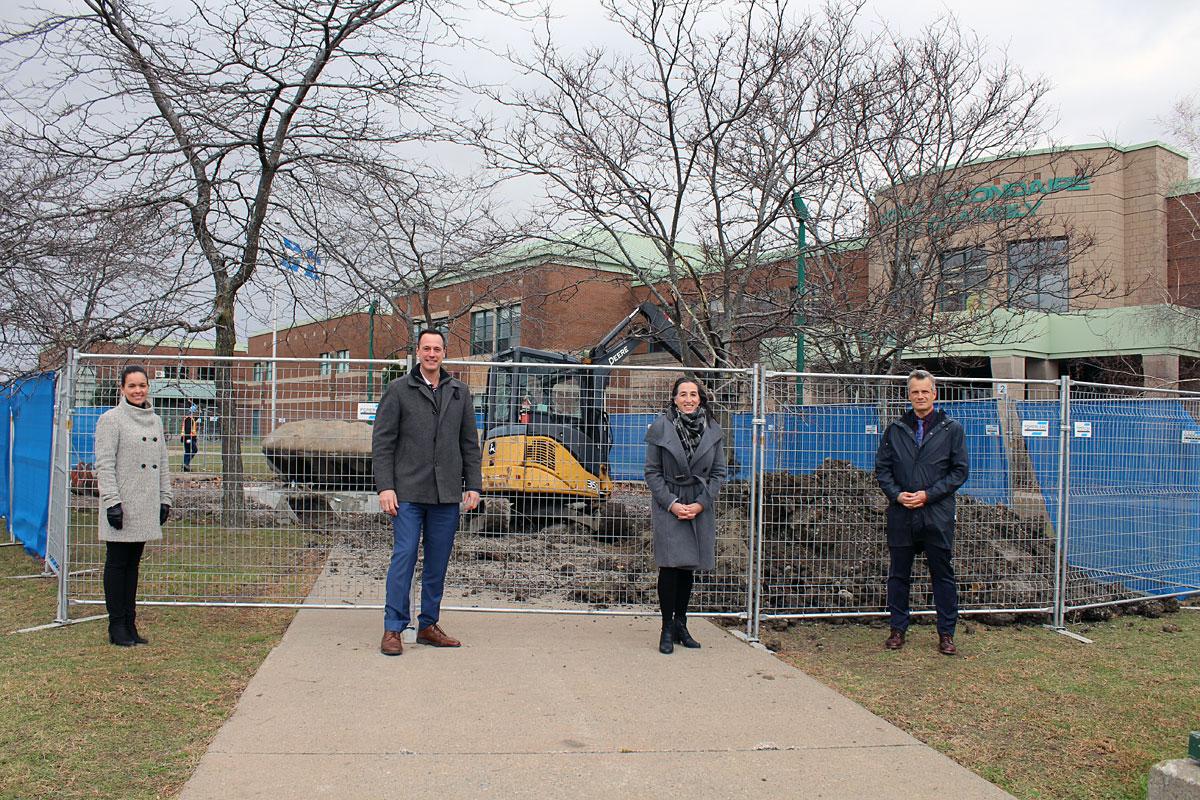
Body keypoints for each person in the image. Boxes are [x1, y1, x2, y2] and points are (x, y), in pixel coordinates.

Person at [372, 329, 482, 656]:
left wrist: (473, 485)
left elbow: (469, 445)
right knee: (404, 556)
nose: (432, 354)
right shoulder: (398, 391)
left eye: (437, 349)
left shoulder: (460, 392)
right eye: (426, 348)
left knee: (437, 562)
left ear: (444, 353)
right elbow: (382, 444)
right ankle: (393, 628)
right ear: (417, 352)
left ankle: (428, 625)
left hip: (446, 494)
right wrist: (385, 487)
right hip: (406, 492)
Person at [874, 369, 969, 656]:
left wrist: (929, 495)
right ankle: (898, 629)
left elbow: (959, 471)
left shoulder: (951, 429)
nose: (920, 396)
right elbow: (883, 468)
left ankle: (946, 634)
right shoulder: (895, 429)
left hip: (936, 514)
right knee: (899, 575)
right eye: (915, 392)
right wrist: (897, 494)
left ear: (934, 393)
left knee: (942, 575)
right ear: (909, 395)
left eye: (925, 391)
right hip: (902, 515)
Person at [644, 377, 727, 654]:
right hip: (670, 503)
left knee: (688, 566)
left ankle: (682, 624)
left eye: (693, 394)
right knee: (670, 566)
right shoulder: (660, 428)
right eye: (683, 394)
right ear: (675, 398)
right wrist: (672, 503)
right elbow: (652, 472)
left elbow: (718, 473)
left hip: (698, 503)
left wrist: (702, 504)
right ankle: (666, 628)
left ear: (700, 398)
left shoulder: (713, 429)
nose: (689, 399)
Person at [94, 365, 173, 647]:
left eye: (142, 385)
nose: (138, 390)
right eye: (132, 386)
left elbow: (163, 462)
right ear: (122, 389)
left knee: (133, 565)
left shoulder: (155, 421)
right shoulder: (111, 420)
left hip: (146, 504)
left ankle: (130, 623)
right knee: (117, 564)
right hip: (122, 504)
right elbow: (104, 465)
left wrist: (166, 497)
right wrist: (112, 502)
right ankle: (116, 625)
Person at [181, 403, 199, 472]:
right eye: (196, 412)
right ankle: (186, 464)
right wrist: (188, 439)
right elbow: (188, 430)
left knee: (187, 451)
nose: (197, 414)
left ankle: (185, 466)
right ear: (193, 412)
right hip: (189, 438)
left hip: (187, 438)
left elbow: (198, 417)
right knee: (194, 450)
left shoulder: (190, 418)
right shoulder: (189, 419)